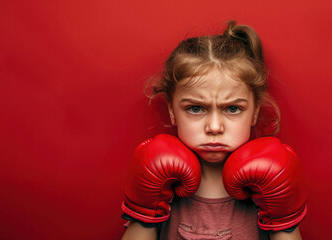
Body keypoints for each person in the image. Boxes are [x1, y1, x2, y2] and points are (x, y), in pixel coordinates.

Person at [120, 21, 307, 240]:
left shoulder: (266, 186)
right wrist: (144, 212)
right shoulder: (163, 183)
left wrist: (284, 221)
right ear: (172, 111)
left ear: (255, 112)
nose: (214, 127)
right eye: (196, 108)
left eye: (233, 108)